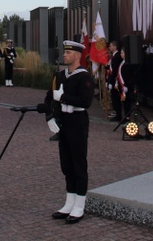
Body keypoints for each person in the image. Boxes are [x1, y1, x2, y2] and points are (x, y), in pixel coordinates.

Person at [48, 40, 94, 224]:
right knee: (66, 165)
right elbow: (49, 97)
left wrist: (64, 97)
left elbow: (85, 101)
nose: (64, 55)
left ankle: (79, 205)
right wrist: (49, 117)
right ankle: (70, 202)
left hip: (77, 122)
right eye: (64, 52)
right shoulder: (60, 75)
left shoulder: (84, 77)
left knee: (78, 164)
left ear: (77, 55)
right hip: (64, 123)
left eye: (68, 53)